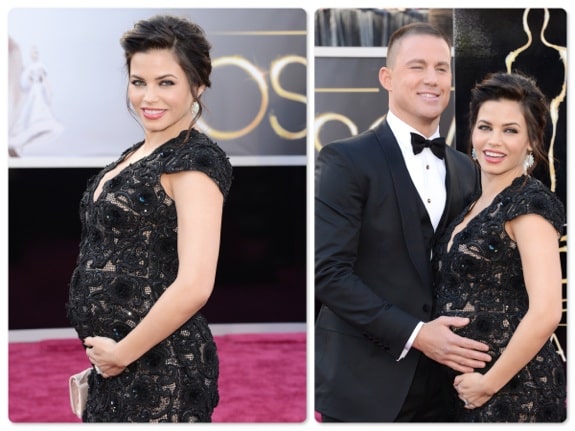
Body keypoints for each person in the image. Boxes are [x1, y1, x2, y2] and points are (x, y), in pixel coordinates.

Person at [314, 22, 493, 422]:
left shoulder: (468, 170)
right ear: (387, 77)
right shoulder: (345, 160)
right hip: (365, 383)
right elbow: (328, 273)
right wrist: (417, 334)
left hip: (450, 386)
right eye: (417, 66)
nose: (432, 79)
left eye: (442, 68)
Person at [66, 15, 233, 422]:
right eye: (138, 81)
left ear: (198, 85)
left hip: (161, 368)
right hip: (117, 364)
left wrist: (121, 354)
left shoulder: (194, 161)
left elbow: (195, 284)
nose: (148, 97)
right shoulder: (134, 153)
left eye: (166, 82)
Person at [432, 71, 566, 422]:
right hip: (467, 389)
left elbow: (547, 311)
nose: (494, 141)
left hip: (514, 392)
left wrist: (489, 383)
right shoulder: (474, 204)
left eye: (510, 130)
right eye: (485, 127)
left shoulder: (530, 203)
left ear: (531, 141)